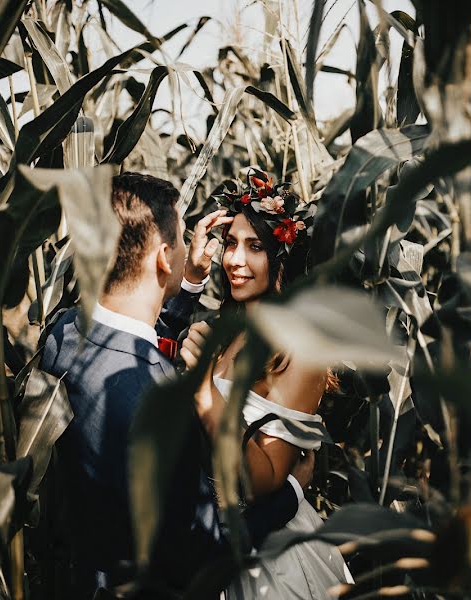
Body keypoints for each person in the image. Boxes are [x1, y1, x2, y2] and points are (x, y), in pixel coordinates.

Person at [39, 172, 312, 597]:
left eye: (254, 246)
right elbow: (204, 555)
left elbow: (127, 341)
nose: (231, 259)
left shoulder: (62, 333)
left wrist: (189, 284)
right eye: (184, 238)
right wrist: (291, 495)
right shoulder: (160, 402)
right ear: (165, 257)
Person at [180, 170, 353, 599]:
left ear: (283, 259)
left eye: (255, 247)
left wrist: (204, 393)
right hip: (211, 543)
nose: (235, 260)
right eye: (232, 244)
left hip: (273, 563)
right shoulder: (229, 330)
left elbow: (262, 482)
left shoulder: (301, 350)